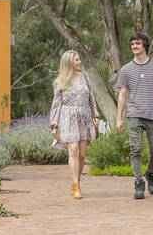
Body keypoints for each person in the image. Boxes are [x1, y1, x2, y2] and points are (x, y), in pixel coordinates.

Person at [115, 32, 153, 199]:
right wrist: (119, 118)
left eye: (138, 43)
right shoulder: (126, 70)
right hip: (134, 115)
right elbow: (122, 94)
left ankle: (150, 174)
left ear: (145, 46)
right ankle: (138, 182)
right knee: (136, 149)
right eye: (133, 44)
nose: (134, 46)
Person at [49, 50, 99, 200]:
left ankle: (77, 181)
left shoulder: (85, 77)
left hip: (84, 117)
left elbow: (91, 98)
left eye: (79, 60)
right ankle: (76, 185)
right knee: (73, 150)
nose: (79, 62)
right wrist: (54, 124)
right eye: (76, 60)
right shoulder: (60, 81)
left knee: (82, 154)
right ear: (69, 62)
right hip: (67, 118)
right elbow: (56, 104)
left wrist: (95, 115)